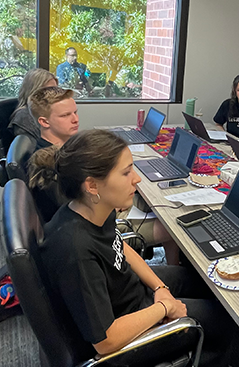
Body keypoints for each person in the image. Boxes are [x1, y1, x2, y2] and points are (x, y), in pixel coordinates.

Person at [37, 129, 239, 367]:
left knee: (203, 282)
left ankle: (209, 362)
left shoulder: (91, 209)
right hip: (122, 337)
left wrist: (160, 288)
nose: (137, 178)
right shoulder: (75, 250)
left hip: (128, 294)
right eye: (126, 172)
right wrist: (164, 308)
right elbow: (105, 341)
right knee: (224, 319)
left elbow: (122, 248)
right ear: (92, 185)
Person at [27, 87, 180, 264]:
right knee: (173, 225)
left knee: (167, 204)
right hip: (103, 220)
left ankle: (173, 270)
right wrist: (112, 205)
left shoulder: (66, 148)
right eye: (65, 115)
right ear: (44, 122)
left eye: (75, 112)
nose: (75, 119)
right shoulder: (50, 166)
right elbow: (78, 210)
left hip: (104, 204)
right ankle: (175, 271)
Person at [8, 68, 58, 142]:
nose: (54, 94)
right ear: (33, 91)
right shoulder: (24, 117)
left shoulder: (47, 112)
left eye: (55, 90)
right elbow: (35, 151)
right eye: (48, 90)